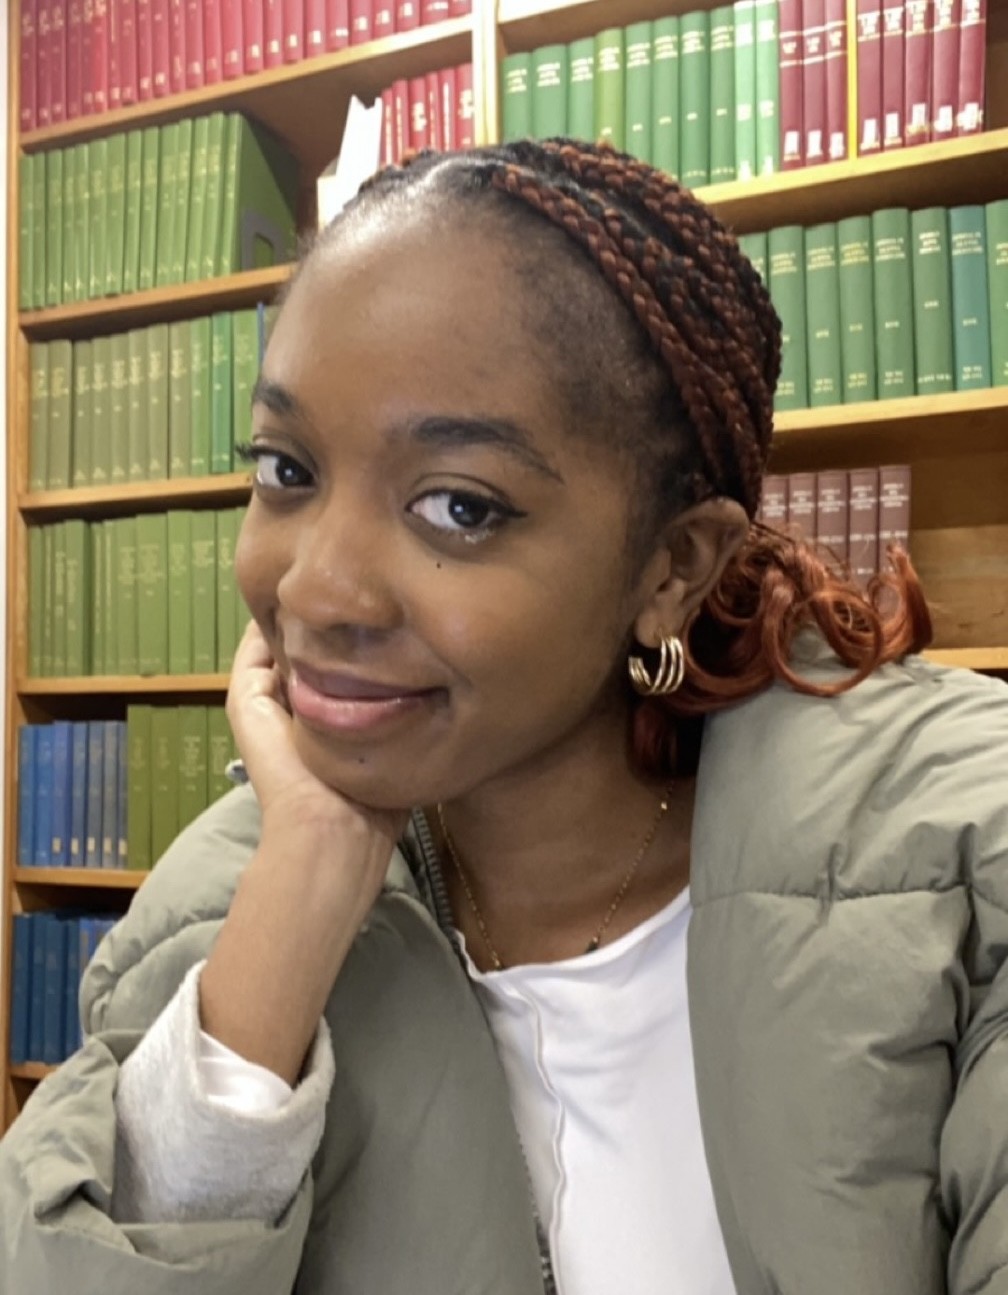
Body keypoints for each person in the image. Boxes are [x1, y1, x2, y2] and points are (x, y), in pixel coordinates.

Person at [2, 139, 1006, 1295]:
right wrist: (309, 874)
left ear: (672, 567)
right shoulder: (220, 898)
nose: (315, 592)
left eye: (459, 506)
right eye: (286, 469)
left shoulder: (963, 853)